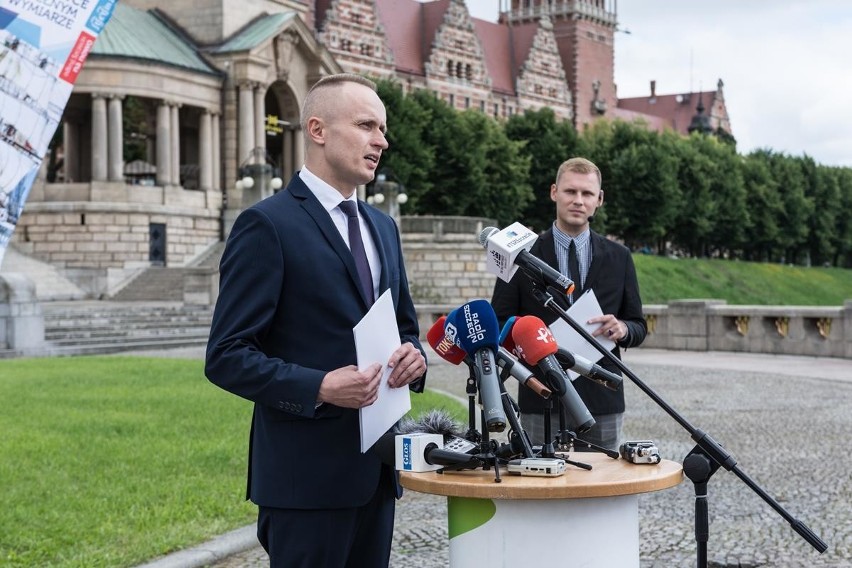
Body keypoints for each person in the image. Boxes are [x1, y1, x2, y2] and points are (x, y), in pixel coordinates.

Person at [205, 73, 427, 567]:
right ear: (318, 130)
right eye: (367, 125)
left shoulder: (383, 227)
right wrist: (321, 386)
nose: (382, 141)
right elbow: (225, 356)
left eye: (383, 129)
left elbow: (404, 327)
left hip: (377, 472)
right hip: (303, 483)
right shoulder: (267, 224)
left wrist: (415, 359)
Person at [490, 157, 646, 452]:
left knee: (602, 490)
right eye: (570, 191)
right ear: (554, 192)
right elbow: (500, 322)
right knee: (542, 489)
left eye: (587, 194)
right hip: (542, 394)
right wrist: (529, 342)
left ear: (599, 200)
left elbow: (639, 326)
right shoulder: (521, 254)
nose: (578, 200)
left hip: (603, 396)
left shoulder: (620, 256)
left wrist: (623, 329)